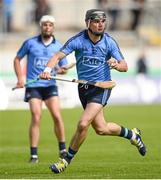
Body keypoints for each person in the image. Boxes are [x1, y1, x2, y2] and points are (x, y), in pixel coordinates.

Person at [40, 9, 147, 173]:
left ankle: (65, 160)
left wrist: (117, 65)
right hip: (84, 88)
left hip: (102, 87)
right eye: (96, 21)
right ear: (87, 22)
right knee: (101, 129)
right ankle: (132, 135)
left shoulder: (109, 42)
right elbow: (57, 57)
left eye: (103, 21)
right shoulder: (77, 40)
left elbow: (124, 66)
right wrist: (48, 69)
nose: (100, 24)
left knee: (83, 123)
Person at [13, 15, 68, 163]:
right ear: (41, 26)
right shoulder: (30, 43)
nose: (47, 27)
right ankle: (34, 155)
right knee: (36, 116)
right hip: (34, 85)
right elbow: (17, 59)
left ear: (53, 27)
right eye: (45, 25)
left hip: (50, 86)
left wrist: (62, 70)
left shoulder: (59, 47)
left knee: (57, 115)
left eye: (50, 25)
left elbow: (64, 67)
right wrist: (20, 78)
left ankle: (63, 150)